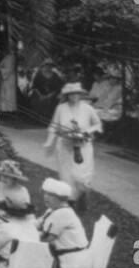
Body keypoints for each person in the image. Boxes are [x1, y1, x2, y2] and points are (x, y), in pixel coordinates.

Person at [39, 178, 91, 268]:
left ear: (61, 199)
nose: (46, 197)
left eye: (51, 195)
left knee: (32, 266)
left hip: (72, 264)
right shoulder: (53, 210)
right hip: (74, 260)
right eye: (46, 193)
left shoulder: (62, 214)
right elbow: (38, 223)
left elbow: (46, 238)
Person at [44, 82, 103, 211]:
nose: (74, 96)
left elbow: (98, 124)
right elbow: (54, 126)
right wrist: (49, 141)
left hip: (83, 147)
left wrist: (87, 131)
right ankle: (69, 202)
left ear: (80, 94)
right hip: (65, 146)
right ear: (67, 95)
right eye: (71, 94)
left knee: (81, 176)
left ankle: (82, 195)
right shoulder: (61, 108)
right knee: (66, 175)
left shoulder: (87, 108)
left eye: (76, 93)